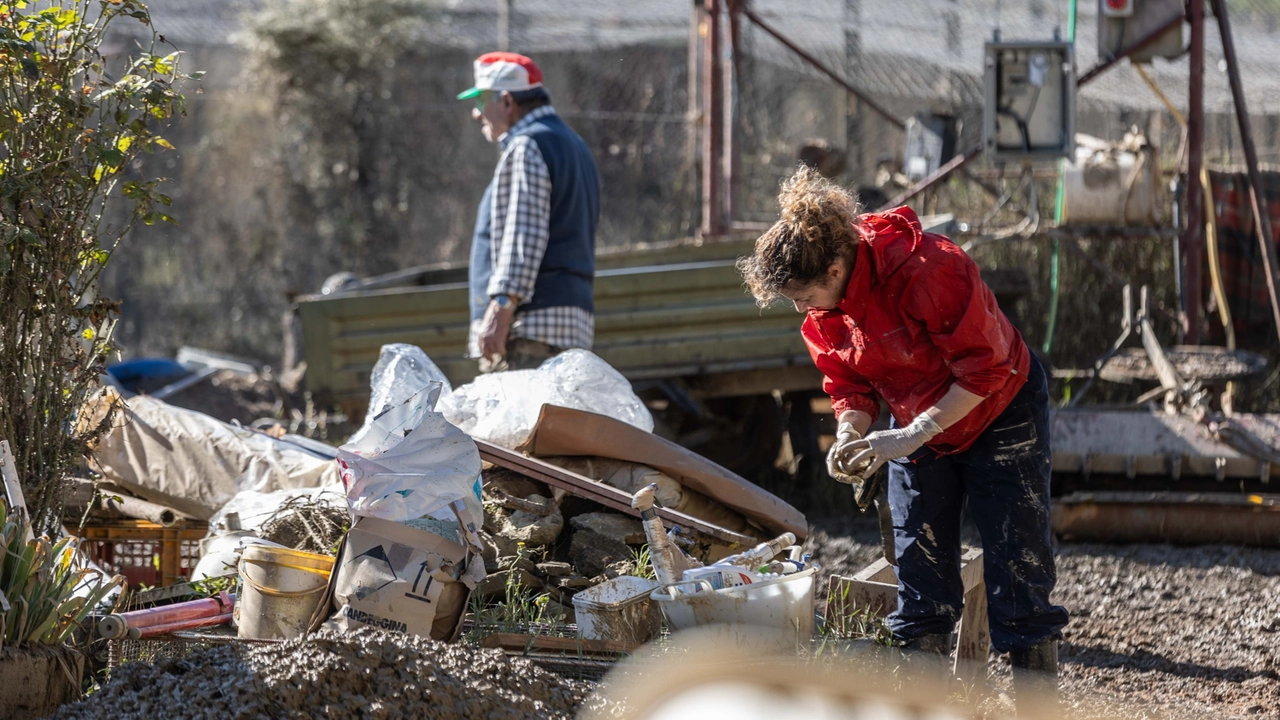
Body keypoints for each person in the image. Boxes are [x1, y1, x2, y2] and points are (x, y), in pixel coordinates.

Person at [737, 166, 1068, 707]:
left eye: (802, 295)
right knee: (919, 579)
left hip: (1000, 410)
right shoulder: (825, 308)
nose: (799, 307)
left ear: (837, 267)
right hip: (919, 423)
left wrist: (912, 432)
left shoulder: (930, 269)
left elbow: (986, 370)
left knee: (1019, 573)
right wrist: (850, 434)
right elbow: (848, 383)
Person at [457, 52, 600, 372]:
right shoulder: (572, 144)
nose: (476, 113)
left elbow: (525, 233)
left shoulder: (526, 145)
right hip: (566, 322)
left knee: (524, 422)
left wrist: (502, 306)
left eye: (481, 101)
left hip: (528, 327)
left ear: (507, 102)